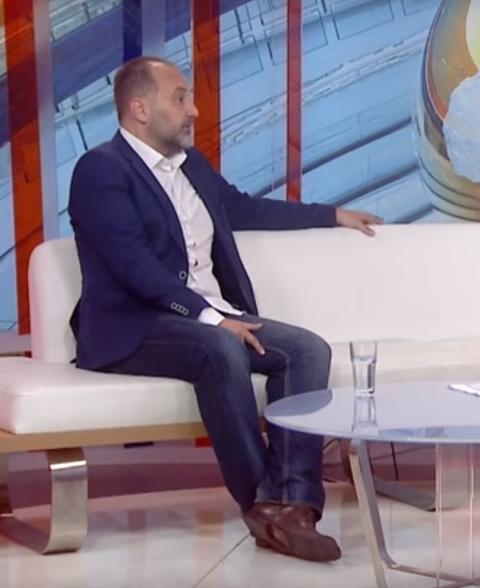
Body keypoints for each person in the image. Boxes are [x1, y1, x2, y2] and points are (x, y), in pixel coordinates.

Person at [68, 56, 381, 562]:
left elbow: (243, 209)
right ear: (140, 109)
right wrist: (213, 318)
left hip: (207, 314)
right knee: (219, 346)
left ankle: (294, 503)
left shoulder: (191, 165)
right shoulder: (100, 170)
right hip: (134, 325)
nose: (193, 110)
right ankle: (261, 504)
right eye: (180, 98)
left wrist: (332, 215)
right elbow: (133, 265)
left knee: (307, 350)